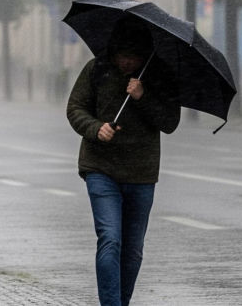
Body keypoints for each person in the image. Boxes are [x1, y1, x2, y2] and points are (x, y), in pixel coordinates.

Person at [66, 18, 180, 306]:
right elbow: (75, 108)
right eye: (122, 56)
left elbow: (169, 122)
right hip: (100, 169)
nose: (127, 62)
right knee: (110, 239)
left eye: (133, 57)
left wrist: (143, 97)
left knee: (132, 250)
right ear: (113, 51)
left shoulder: (159, 76)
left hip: (141, 173)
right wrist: (96, 128)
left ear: (144, 54)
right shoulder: (96, 70)